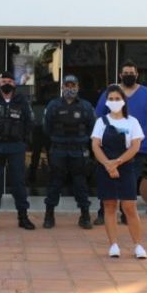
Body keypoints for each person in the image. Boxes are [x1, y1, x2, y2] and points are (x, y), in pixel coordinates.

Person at [94, 60, 147, 225]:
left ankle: (127, 213)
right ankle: (104, 212)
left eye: (132, 73)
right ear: (120, 75)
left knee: (130, 180)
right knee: (108, 179)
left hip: (137, 147)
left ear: (137, 75)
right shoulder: (111, 93)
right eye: (126, 73)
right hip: (111, 147)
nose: (129, 76)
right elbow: (99, 115)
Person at [91, 84, 147, 259]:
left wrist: (117, 162)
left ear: (123, 101)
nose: (114, 102)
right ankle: (113, 245)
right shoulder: (101, 122)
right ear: (107, 102)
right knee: (109, 206)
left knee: (129, 207)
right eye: (111, 99)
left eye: (117, 99)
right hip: (105, 168)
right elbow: (95, 145)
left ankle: (138, 245)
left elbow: (135, 146)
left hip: (126, 168)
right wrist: (108, 164)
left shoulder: (132, 122)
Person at [0, 71, 35, 231]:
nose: (6, 83)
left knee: (18, 182)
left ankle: (23, 217)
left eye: (9, 80)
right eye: (3, 80)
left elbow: (30, 122)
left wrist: (21, 139)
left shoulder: (22, 101)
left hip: (16, 146)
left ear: (15, 84)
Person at [42, 75, 96, 229]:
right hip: (59, 150)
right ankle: (49, 215)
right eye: (67, 85)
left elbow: (92, 128)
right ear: (62, 87)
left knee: (80, 184)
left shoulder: (86, 106)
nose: (70, 88)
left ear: (78, 87)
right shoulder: (53, 105)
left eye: (73, 85)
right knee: (54, 183)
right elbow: (46, 128)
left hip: (78, 151)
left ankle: (85, 216)